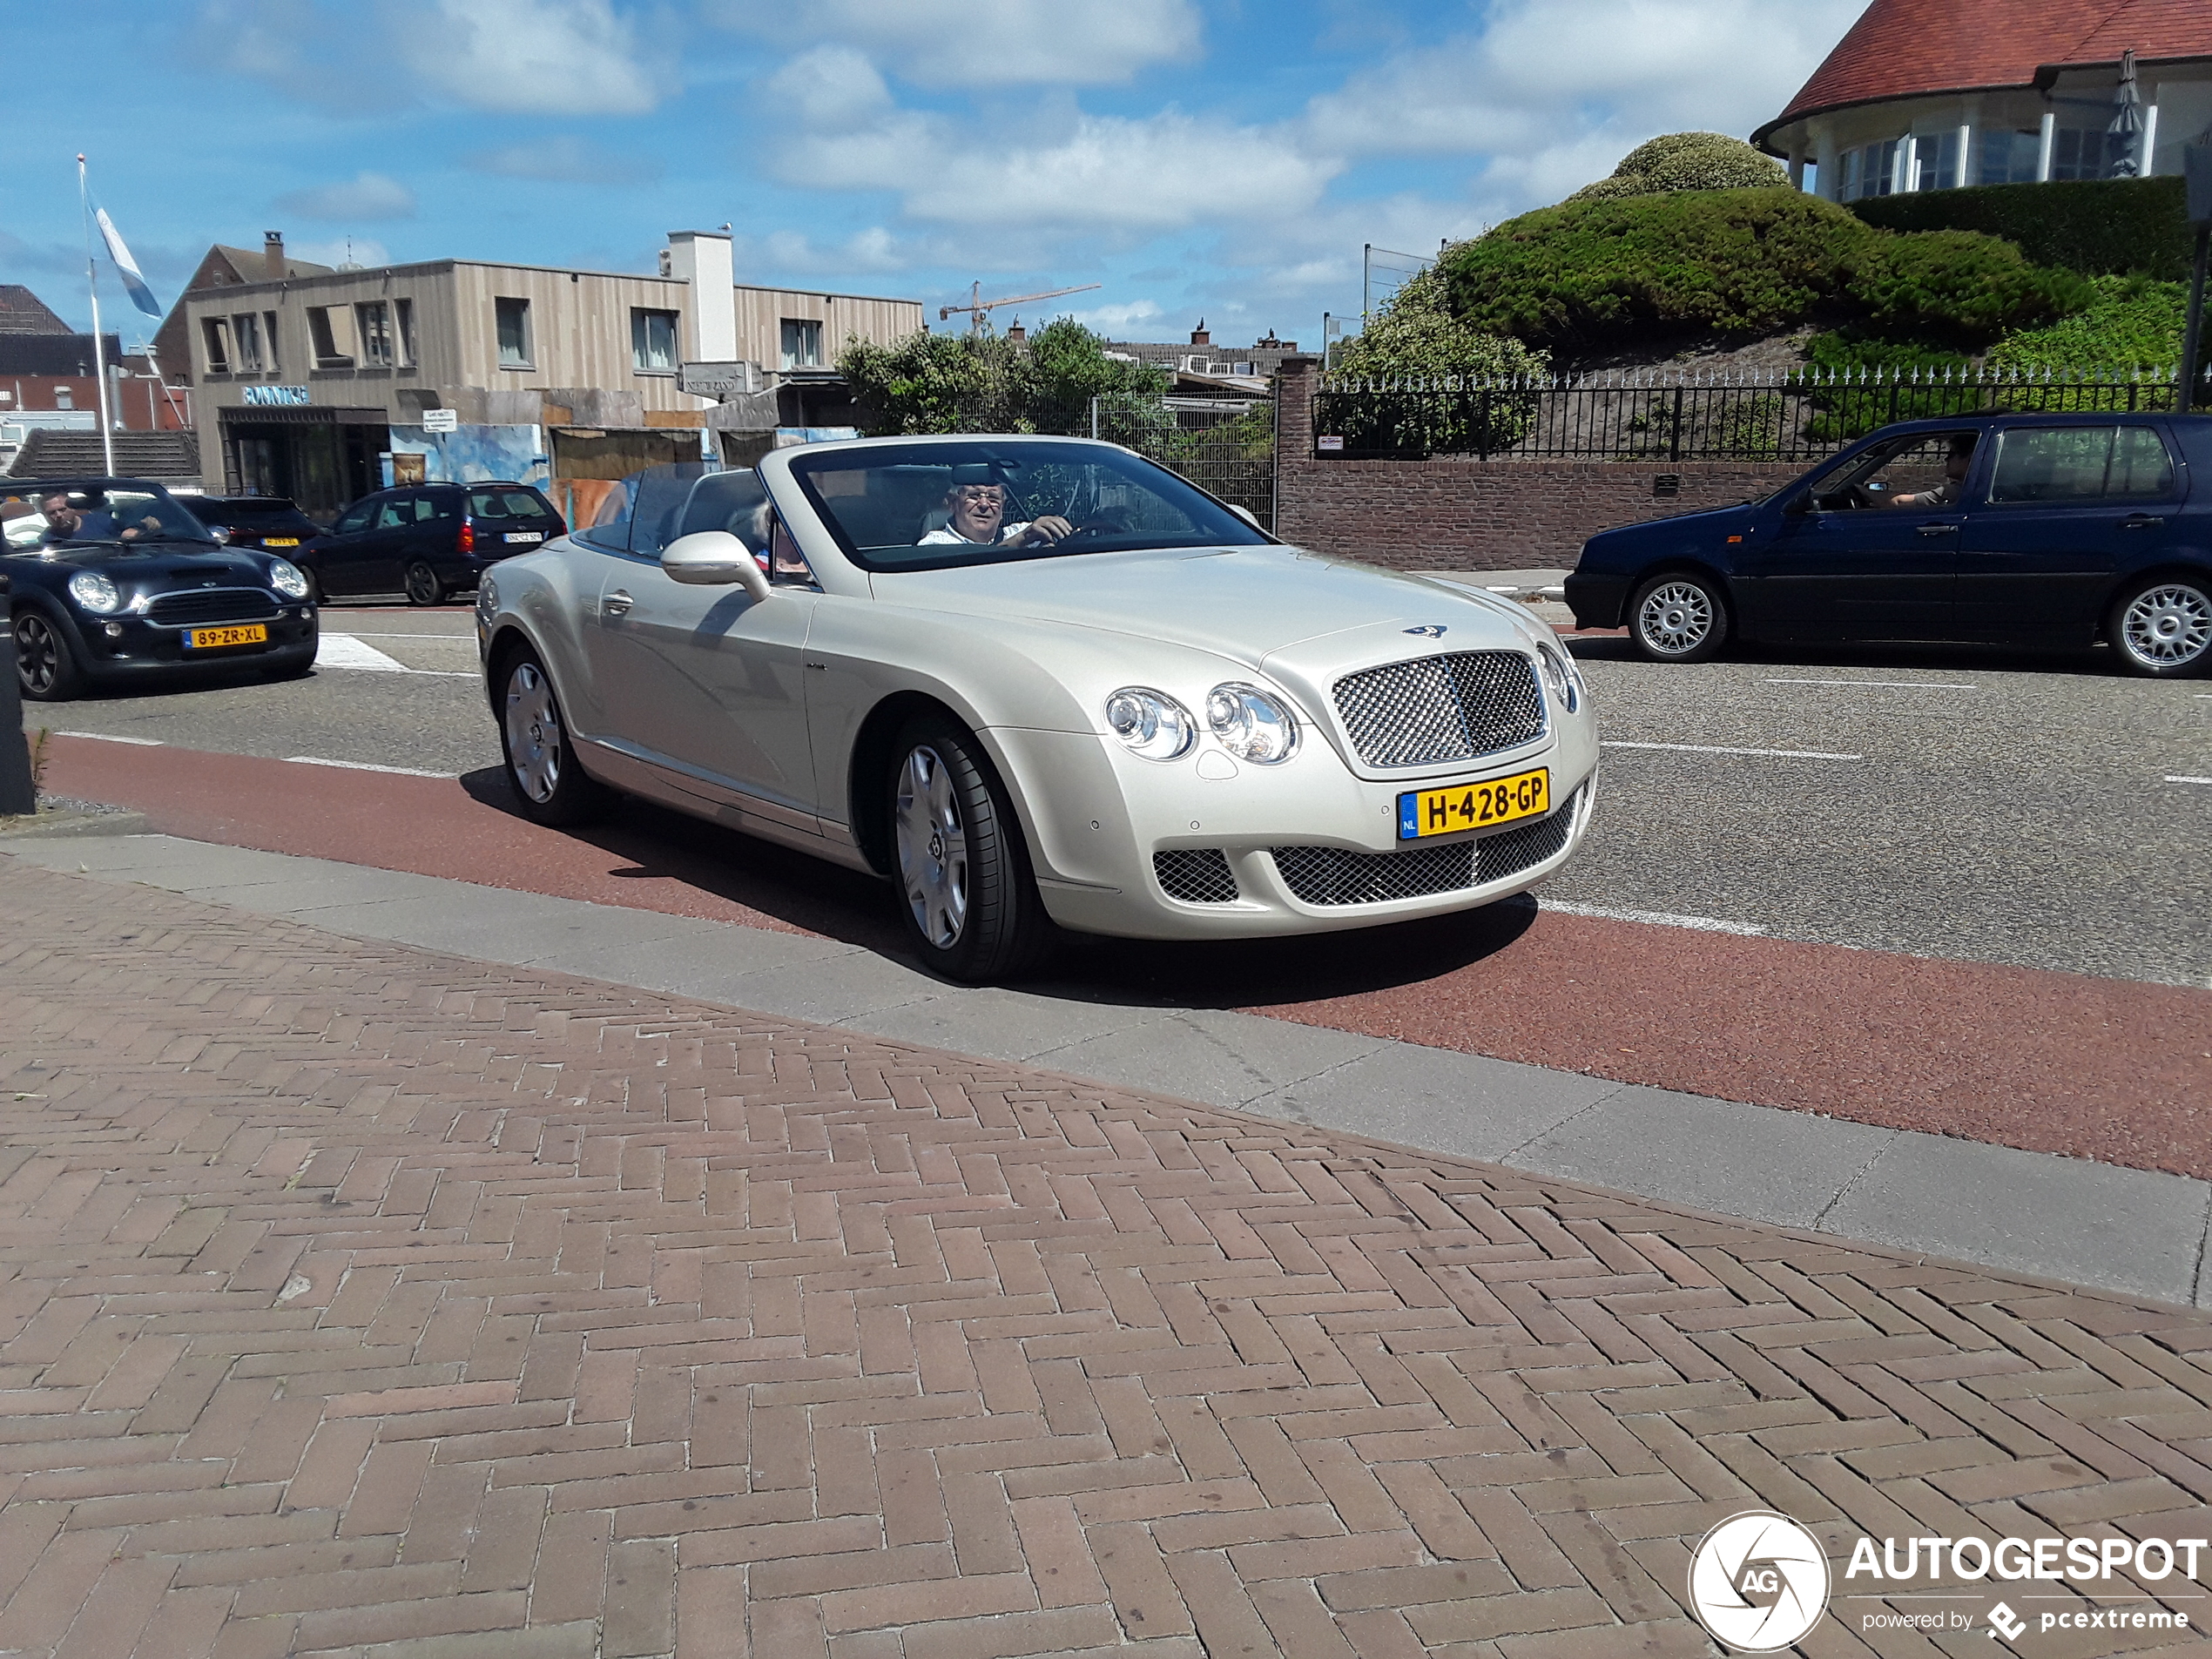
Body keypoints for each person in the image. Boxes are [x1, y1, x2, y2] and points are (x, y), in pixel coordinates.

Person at [917, 470, 1072, 549]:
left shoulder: (1019, 531)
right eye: (974, 496)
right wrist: (1020, 541)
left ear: (1003, 507)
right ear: (952, 503)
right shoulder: (934, 545)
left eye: (993, 498)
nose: (984, 504)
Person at [1885, 433, 1976, 509]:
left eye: (1951, 454)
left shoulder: (1956, 491)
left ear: (1968, 458)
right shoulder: (1982, 488)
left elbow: (1898, 502)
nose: (1946, 459)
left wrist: (1873, 495)